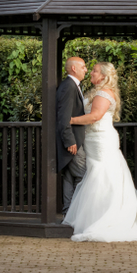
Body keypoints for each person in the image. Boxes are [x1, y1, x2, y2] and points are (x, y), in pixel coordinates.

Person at [62, 62, 137, 242]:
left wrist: (70, 120)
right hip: (93, 141)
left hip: (101, 141)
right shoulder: (96, 92)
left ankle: (108, 217)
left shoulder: (104, 93)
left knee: (103, 175)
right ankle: (95, 216)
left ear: (104, 76)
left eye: (95, 71)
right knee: (95, 175)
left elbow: (95, 116)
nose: (91, 73)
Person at [56, 56, 88, 215]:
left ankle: (68, 213)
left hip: (75, 139)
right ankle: (75, 213)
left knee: (69, 176)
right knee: (84, 175)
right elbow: (64, 117)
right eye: (83, 67)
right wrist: (69, 141)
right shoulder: (69, 86)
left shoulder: (71, 85)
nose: (86, 70)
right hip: (73, 141)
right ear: (74, 68)